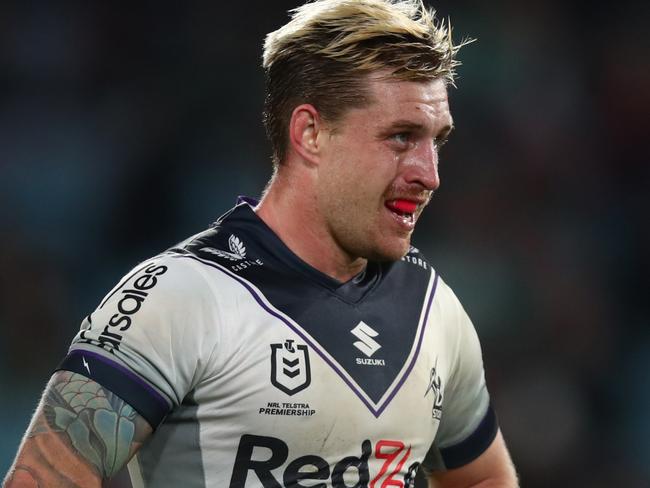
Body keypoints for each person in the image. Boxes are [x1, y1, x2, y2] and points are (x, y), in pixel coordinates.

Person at [4, 0, 518, 487]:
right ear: (310, 133)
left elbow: (484, 476)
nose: (430, 175)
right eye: (401, 137)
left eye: (438, 140)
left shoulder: (435, 309)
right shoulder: (183, 296)